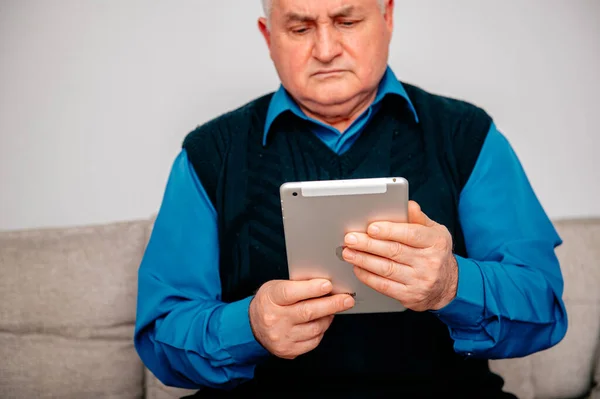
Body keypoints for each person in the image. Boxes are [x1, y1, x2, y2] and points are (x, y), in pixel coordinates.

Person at [134, 0, 568, 397]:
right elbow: (162, 335)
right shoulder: (210, 152)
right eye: (300, 29)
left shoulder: (466, 135)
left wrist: (452, 284)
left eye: (347, 21)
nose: (325, 49)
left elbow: (543, 305)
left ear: (388, 19)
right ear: (269, 38)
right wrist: (249, 328)